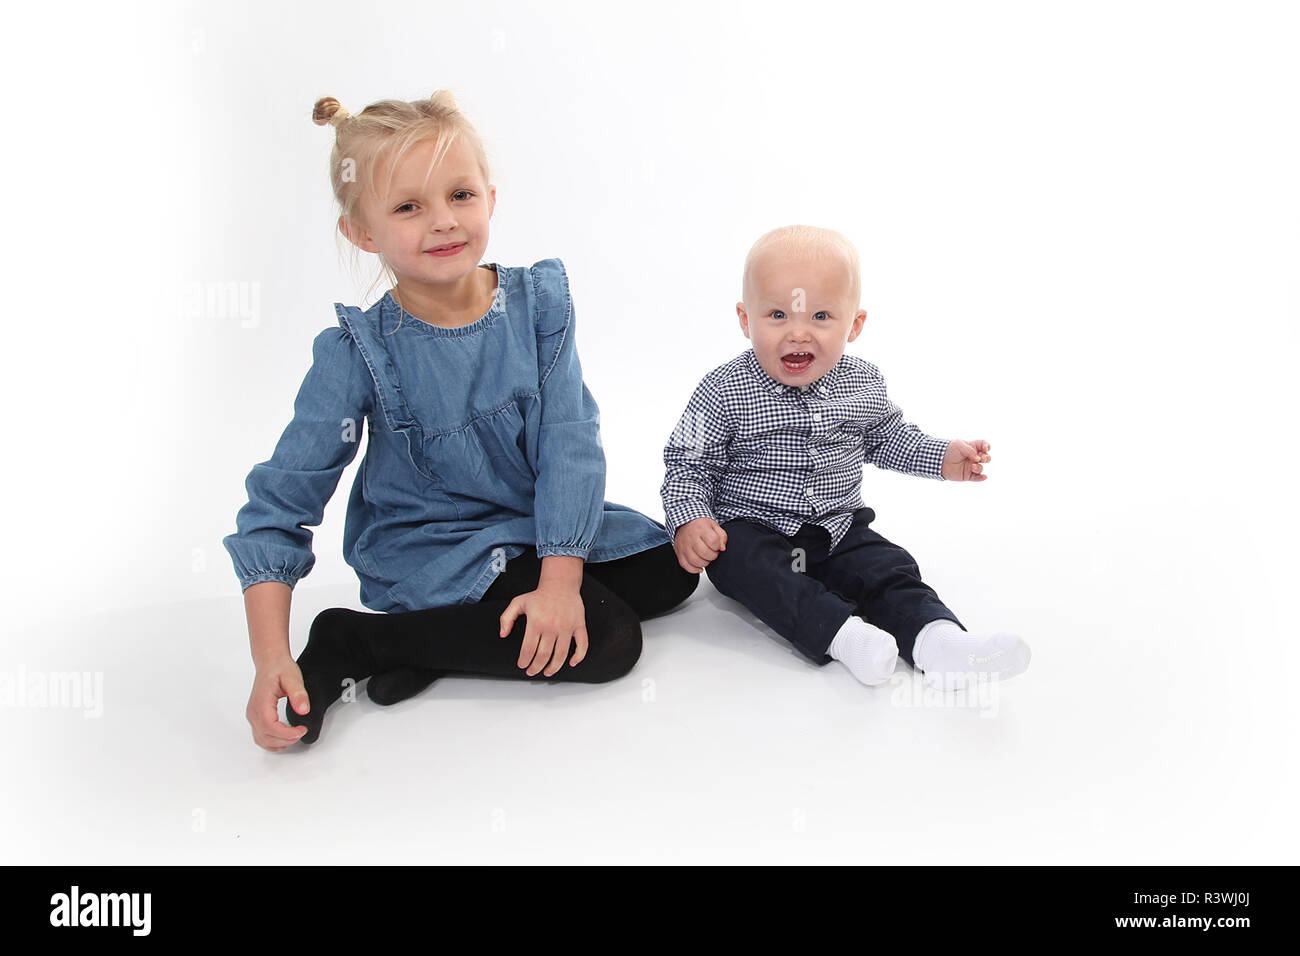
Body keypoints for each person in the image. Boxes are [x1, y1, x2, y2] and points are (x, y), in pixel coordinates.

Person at [224, 90, 696, 749]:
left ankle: (426, 647)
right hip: (432, 545)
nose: (443, 221)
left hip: (528, 525)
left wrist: (558, 577)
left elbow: (570, 443)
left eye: (461, 196)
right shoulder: (359, 353)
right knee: (611, 641)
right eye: (409, 207)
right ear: (362, 233)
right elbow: (280, 506)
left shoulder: (538, 306)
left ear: (491, 198)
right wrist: (271, 659)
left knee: (671, 568)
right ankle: (358, 639)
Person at [660, 224, 1030, 692]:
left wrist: (940, 457)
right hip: (756, 530)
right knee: (743, 567)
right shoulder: (723, 390)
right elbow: (687, 465)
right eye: (777, 314)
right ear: (745, 319)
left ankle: (939, 643)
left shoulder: (862, 382)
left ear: (854, 324)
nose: (798, 333)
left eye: (820, 316)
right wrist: (690, 520)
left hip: (837, 528)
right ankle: (844, 635)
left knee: (889, 567)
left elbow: (889, 437)